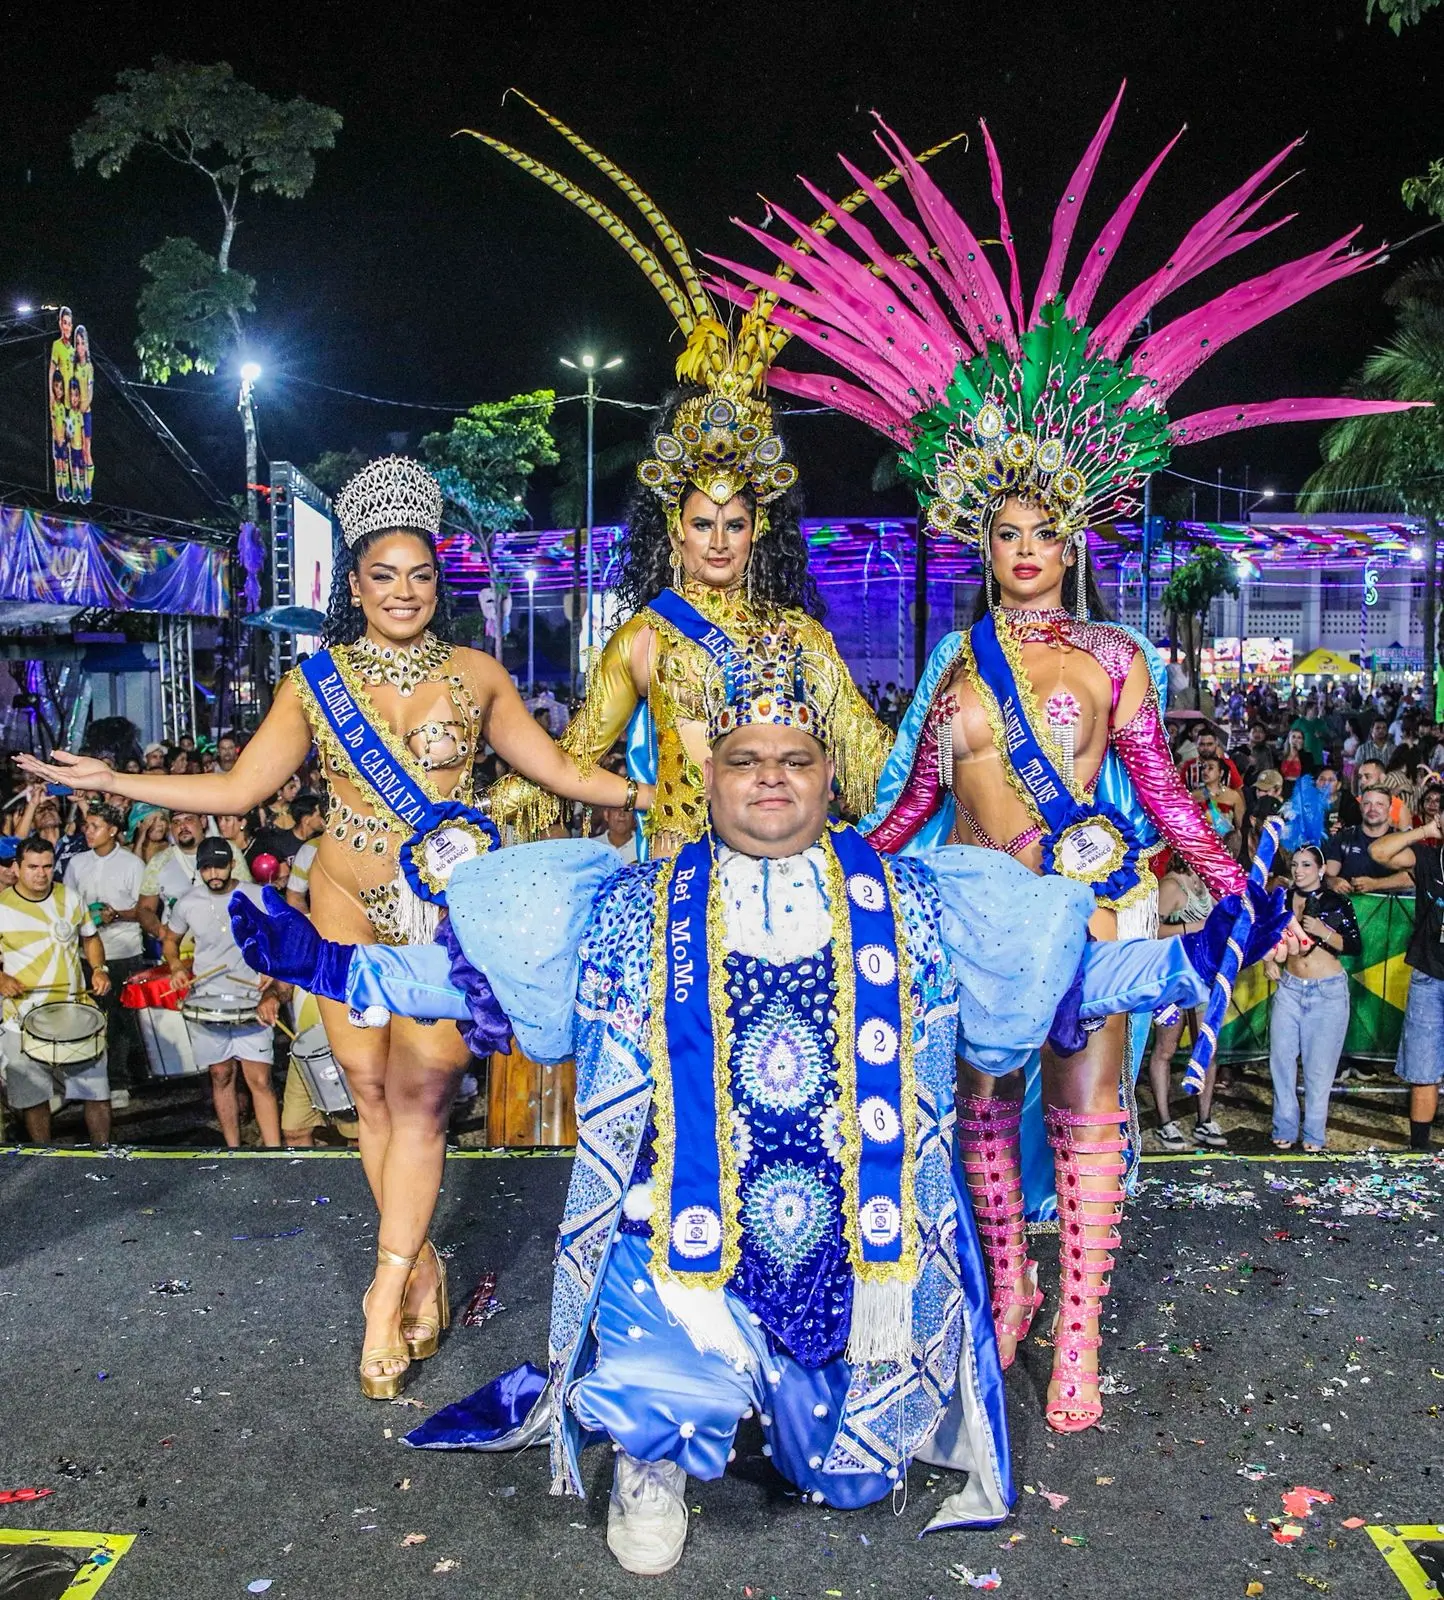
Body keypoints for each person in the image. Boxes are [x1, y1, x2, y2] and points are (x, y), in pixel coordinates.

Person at [231, 636, 1278, 1569]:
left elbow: (1064, 979)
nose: (770, 776)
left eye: (794, 758)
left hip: (858, 1253)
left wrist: (1189, 960)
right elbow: (476, 989)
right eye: (744, 759)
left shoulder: (916, 897)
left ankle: (792, 1404)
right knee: (653, 1333)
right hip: (681, 1245)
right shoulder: (631, 903)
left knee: (849, 1480)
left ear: (827, 777)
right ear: (711, 777)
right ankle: (651, 1455)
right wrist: (335, 965)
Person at [712, 86, 1412, 1428]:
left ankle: (1077, 1337)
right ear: (980, 540)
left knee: (1087, 1118)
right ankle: (1010, 1290)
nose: (1025, 552)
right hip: (980, 914)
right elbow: (909, 807)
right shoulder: (952, 663)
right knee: (984, 1115)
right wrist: (812, 861)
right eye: (1006, 534)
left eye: (1044, 533)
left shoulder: (1115, 657)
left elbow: (1162, 796)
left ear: (1072, 537)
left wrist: (1241, 886)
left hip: (1088, 908)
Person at [17, 452, 646, 1402]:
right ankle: (419, 1262)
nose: (403, 592)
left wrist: (658, 795)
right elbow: (240, 788)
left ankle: (382, 1291)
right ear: (353, 585)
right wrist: (113, 780)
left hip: (441, 915)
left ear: (438, 582)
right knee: (369, 1097)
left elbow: (558, 769)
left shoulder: (477, 676)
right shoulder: (314, 684)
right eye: (383, 575)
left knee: (424, 1100)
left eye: (420, 575)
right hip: (344, 905)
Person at [477, 100, 891, 859]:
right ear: (675, 532)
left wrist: (962, 738)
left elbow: (872, 763)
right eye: (703, 524)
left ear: (758, 530)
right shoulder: (644, 638)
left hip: (790, 866)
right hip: (680, 873)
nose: (720, 541)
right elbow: (574, 757)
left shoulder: (802, 637)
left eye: (735, 524)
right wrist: (503, 800)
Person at [163, 838, 284, 1150]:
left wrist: (271, 968)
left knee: (259, 1079)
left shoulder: (256, 895)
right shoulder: (188, 902)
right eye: (206, 868)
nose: (213, 874)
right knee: (220, 1075)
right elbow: (170, 940)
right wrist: (176, 967)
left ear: (232, 864)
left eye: (219, 866)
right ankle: (233, 1149)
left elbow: (282, 936)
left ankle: (275, 1152)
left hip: (253, 1000)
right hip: (209, 1001)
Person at [0, 836, 111, 1145]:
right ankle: (45, 1156)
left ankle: (104, 1154)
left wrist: (99, 968)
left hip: (75, 1011)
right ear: (17, 867)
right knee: (35, 1098)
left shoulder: (70, 897)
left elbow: (90, 937)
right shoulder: (2, 906)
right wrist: (1, 979)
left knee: (97, 1092)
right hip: (22, 1017)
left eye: (47, 866)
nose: (41, 874)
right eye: (33, 867)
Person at [1264, 845, 1361, 1152]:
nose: (1299, 870)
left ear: (1321, 869)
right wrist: (1269, 961)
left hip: (1327, 992)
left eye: (1306, 865)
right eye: (1295, 864)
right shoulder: (1282, 900)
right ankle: (1284, 1126)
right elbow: (1268, 936)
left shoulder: (1336, 902)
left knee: (1319, 1068)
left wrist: (1323, 931)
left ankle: (1314, 1134)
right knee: (1281, 1059)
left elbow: (1354, 946)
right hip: (1290, 988)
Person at [1366, 816, 1443, 1149]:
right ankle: (1420, 1151)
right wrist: (1426, 830)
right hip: (1429, 976)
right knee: (1423, 1070)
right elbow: (1378, 852)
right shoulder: (1429, 858)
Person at [63, 804, 146, 1102]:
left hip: (123, 950)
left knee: (121, 1018)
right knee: (89, 1017)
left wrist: (116, 914)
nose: (88, 831)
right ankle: (86, 1081)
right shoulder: (76, 863)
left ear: (112, 830)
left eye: (95, 826)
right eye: (86, 825)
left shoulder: (132, 864)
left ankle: (119, 1081)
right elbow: (67, 905)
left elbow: (145, 909)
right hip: (87, 952)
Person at [1147, 864, 1223, 1152]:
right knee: (1165, 1050)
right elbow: (1152, 930)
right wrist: (1195, 927)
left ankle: (1205, 1120)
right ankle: (1165, 1122)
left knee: (1207, 1050)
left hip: (1203, 977)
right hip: (1173, 980)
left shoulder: (1209, 882)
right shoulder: (1171, 885)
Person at [1324, 784, 1412, 896]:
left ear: (1390, 809)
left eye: (1379, 804)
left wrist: (1375, 884)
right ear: (1360, 807)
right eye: (1367, 803)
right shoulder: (1343, 838)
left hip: (1390, 906)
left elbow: (1412, 877)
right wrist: (1332, 882)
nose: (1372, 809)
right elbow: (1328, 874)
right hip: (1348, 905)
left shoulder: (1401, 841)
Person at [136, 811, 207, 940]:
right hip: (176, 946)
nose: (182, 826)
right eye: (176, 822)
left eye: (188, 819)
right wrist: (160, 931)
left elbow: (242, 898)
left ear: (203, 821)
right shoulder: (159, 861)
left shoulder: (226, 851)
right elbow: (145, 908)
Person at [248, 794, 325, 871]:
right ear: (306, 820)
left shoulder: (323, 841)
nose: (324, 819)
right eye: (320, 815)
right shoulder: (279, 843)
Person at [1192, 756, 1244, 861]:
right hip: (1202, 847)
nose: (1205, 771)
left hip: (1226, 849)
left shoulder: (1233, 796)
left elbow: (1239, 827)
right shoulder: (1194, 796)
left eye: (1210, 768)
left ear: (1220, 773)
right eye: (1204, 768)